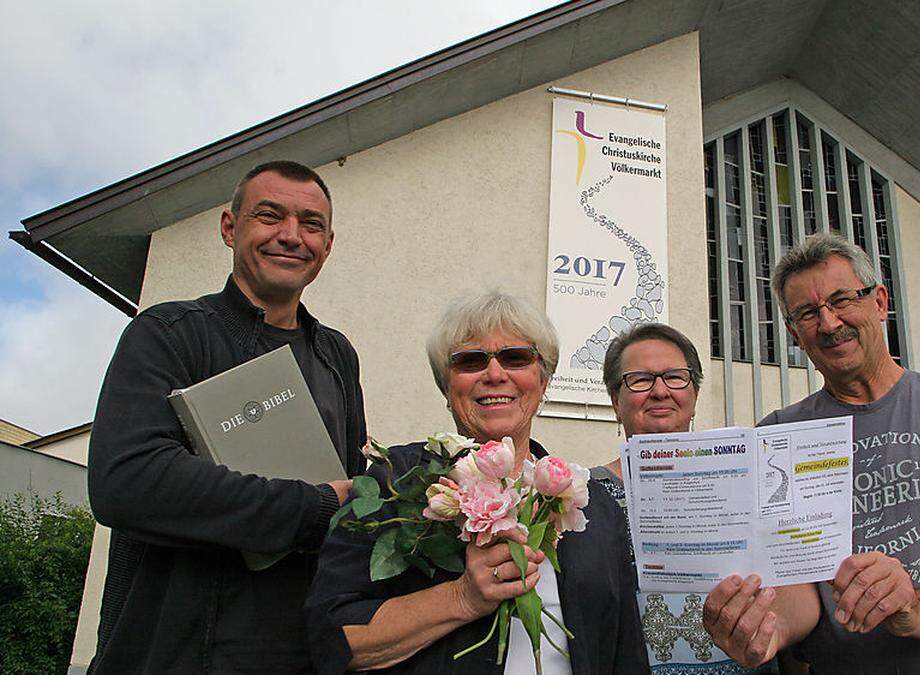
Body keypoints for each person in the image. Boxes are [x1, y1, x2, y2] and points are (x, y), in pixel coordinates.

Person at [703, 234, 920, 675]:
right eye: (808, 313)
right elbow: (796, 585)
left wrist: (917, 608)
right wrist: (766, 631)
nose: (829, 324)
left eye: (842, 300)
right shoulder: (777, 436)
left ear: (880, 301)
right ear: (793, 333)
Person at [87, 160, 366, 673]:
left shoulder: (337, 357)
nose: (291, 236)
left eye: (311, 224)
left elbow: (352, 486)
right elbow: (127, 482)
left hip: (295, 653)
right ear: (229, 227)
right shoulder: (169, 333)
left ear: (327, 246)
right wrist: (315, 507)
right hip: (173, 653)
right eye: (269, 215)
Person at [306, 291, 648, 674]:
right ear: (446, 389)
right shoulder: (396, 480)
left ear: (544, 381)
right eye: (470, 361)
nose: (494, 374)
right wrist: (461, 598)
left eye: (516, 357)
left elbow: (625, 653)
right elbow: (333, 639)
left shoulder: (591, 503)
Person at [593, 323, 797, 674]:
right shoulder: (584, 497)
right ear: (615, 400)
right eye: (640, 379)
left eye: (675, 377)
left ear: (695, 394)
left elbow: (793, 579)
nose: (660, 391)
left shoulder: (752, 479)